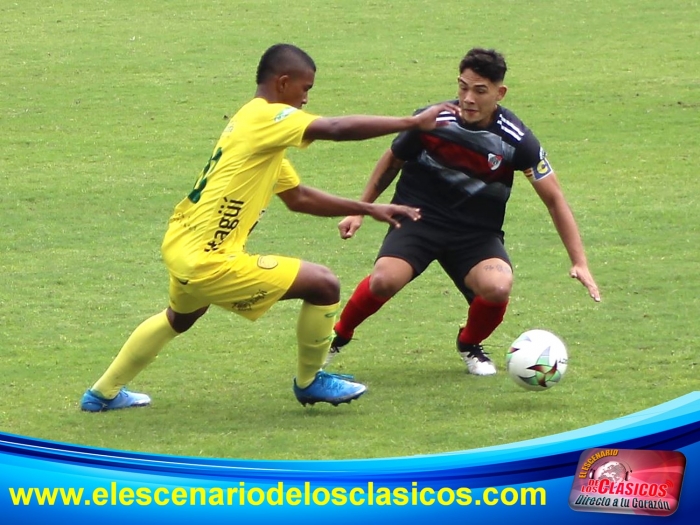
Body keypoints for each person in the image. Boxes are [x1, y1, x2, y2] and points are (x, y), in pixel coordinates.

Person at [80, 43, 458, 412]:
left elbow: (299, 198)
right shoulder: (266, 118)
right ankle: (310, 381)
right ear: (282, 82)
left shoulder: (257, 131)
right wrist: (411, 122)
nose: (306, 99)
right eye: (305, 88)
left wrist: (366, 208)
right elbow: (335, 128)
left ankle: (102, 393)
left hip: (183, 244)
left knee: (180, 317)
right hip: (208, 259)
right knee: (323, 284)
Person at [327, 47, 600, 376]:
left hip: (475, 233)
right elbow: (392, 160)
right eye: (463, 87)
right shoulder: (431, 121)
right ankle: (337, 336)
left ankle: (469, 344)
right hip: (418, 220)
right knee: (384, 280)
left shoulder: (516, 139)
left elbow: (554, 198)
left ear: (499, 93)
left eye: (480, 90)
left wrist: (579, 261)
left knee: (498, 286)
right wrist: (360, 210)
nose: (468, 98)